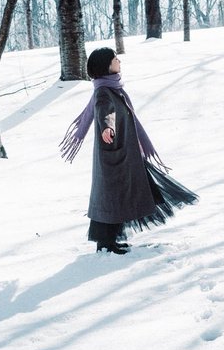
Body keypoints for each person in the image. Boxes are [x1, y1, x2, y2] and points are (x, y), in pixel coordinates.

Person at [60, 46, 197, 253]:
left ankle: (109, 241)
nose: (119, 62)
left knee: (118, 196)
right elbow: (105, 111)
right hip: (114, 156)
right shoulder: (104, 92)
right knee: (112, 197)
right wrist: (107, 126)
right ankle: (105, 243)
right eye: (116, 59)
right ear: (107, 65)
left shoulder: (111, 88)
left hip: (121, 153)